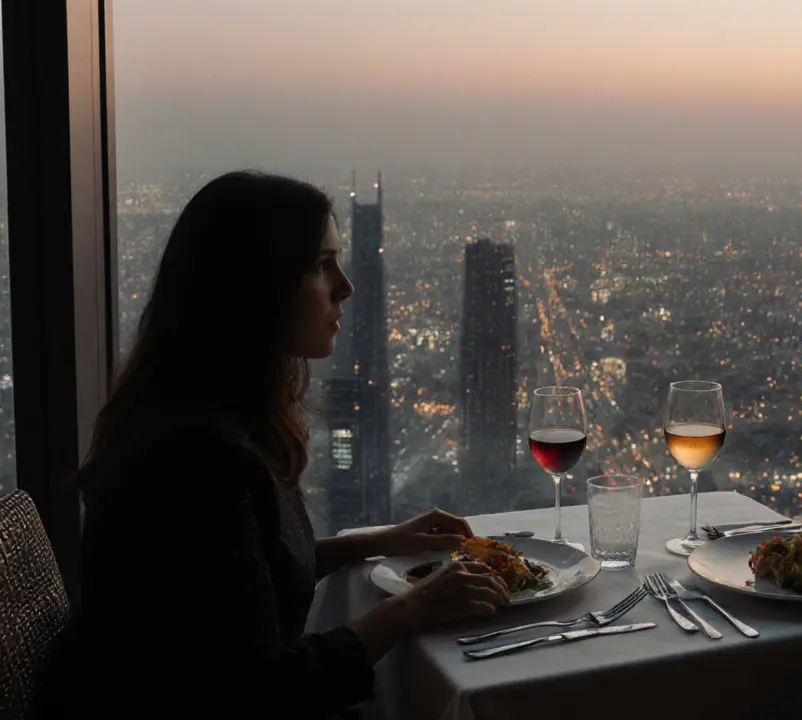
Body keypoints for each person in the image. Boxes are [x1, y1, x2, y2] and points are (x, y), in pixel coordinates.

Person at [37, 171, 508, 719]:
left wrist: (378, 541)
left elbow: (238, 583)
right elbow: (261, 689)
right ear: (257, 287)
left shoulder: (199, 415)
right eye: (320, 265)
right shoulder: (194, 460)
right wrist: (411, 609)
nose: (345, 286)